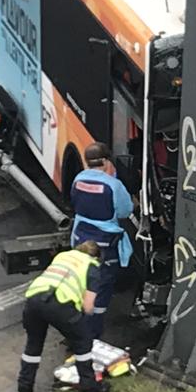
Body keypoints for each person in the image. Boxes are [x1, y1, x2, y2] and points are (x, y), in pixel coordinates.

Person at [18, 242, 111, 392]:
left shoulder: (63, 256)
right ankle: (89, 388)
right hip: (61, 305)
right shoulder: (92, 266)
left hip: (33, 300)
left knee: (33, 346)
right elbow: (88, 307)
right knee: (82, 341)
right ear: (96, 257)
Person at [70, 142, 133, 340]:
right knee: (102, 286)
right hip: (105, 244)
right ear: (106, 161)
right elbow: (125, 210)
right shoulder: (113, 186)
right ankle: (92, 333)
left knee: (82, 281)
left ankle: (77, 326)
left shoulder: (78, 179)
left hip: (80, 238)